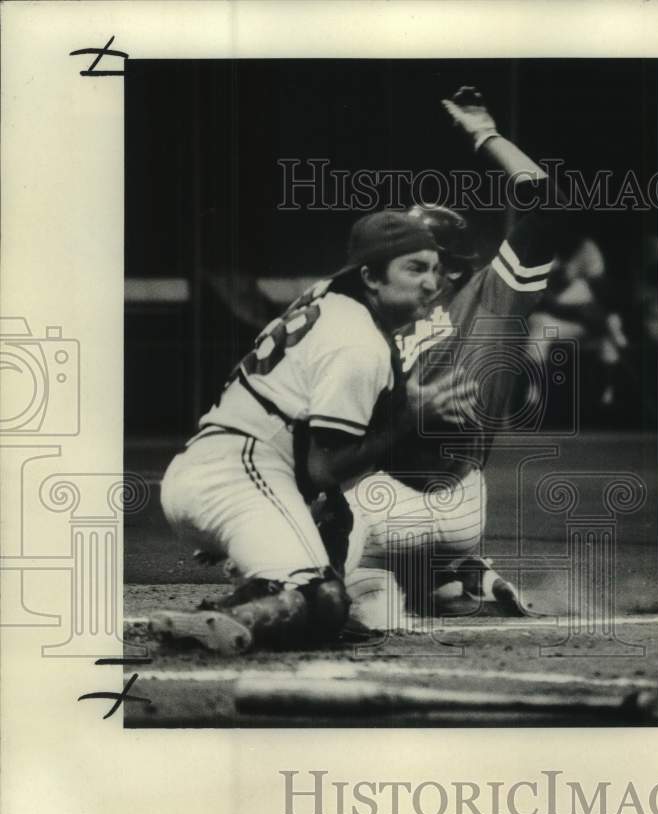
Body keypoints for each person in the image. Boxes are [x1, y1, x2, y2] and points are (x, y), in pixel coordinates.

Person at [150, 210, 440, 653]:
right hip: (240, 474)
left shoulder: (328, 303)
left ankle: (256, 591)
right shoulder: (357, 341)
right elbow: (324, 468)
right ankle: (228, 621)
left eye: (435, 269)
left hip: (221, 470)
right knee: (322, 600)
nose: (431, 283)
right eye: (415, 268)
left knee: (335, 518)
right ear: (371, 277)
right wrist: (406, 420)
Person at [339, 87, 573, 626]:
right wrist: (484, 135)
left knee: (324, 518)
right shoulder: (494, 293)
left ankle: (354, 579)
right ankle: (458, 576)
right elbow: (548, 199)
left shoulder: (376, 312)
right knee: (435, 594)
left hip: (385, 501)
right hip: (465, 498)